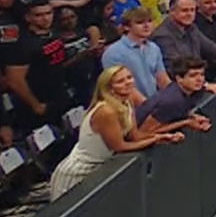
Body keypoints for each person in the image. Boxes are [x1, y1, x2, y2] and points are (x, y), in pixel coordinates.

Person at [49, 66, 184, 200]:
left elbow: (135, 136)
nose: (127, 83)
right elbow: (120, 146)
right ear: (109, 88)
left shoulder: (128, 101)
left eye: (129, 78)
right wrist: (156, 139)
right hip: (78, 172)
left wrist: (164, 137)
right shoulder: (106, 111)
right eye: (120, 81)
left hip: (100, 169)